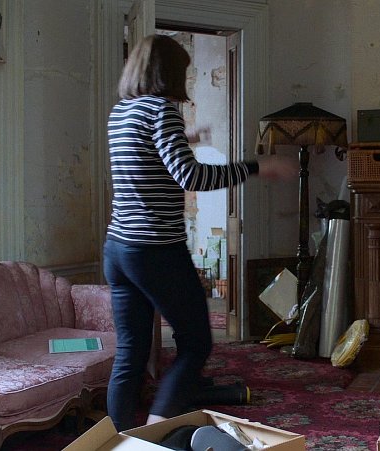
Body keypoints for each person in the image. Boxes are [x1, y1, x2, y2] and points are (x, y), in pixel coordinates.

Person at [104, 34, 295, 431]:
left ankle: (116, 440)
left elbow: (142, 157)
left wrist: (185, 139)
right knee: (196, 344)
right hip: (157, 251)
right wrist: (256, 167)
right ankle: (153, 434)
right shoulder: (163, 110)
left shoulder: (121, 113)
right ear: (170, 72)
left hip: (119, 249)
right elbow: (190, 176)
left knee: (130, 354)